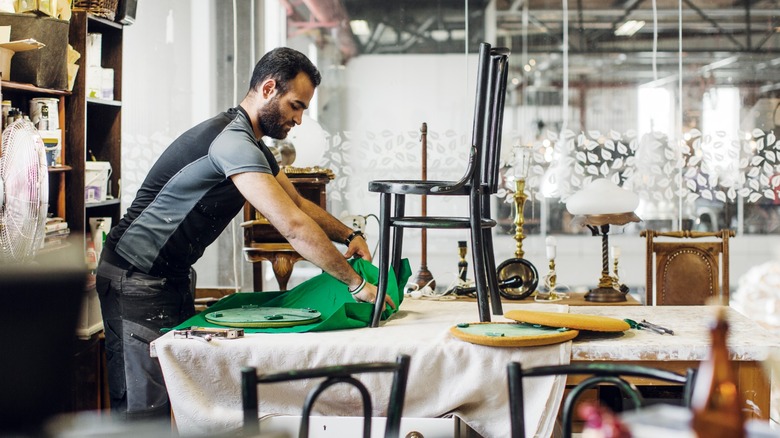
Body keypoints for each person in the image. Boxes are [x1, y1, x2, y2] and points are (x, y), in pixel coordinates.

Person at [95, 47, 394, 421]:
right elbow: (293, 225)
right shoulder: (231, 142)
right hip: (134, 279)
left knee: (179, 400)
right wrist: (354, 284)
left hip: (171, 276)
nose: (299, 119)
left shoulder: (252, 145)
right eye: (296, 106)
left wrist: (349, 235)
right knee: (144, 412)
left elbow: (298, 203)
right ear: (268, 89)